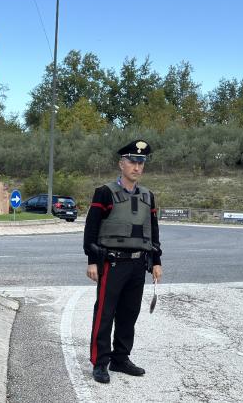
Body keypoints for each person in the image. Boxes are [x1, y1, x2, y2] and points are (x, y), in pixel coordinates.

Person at [83, 139, 163, 384]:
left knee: (129, 314)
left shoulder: (148, 196)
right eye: (132, 161)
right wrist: (92, 260)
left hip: (138, 264)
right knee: (105, 314)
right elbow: (91, 229)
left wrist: (156, 261)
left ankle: (121, 358)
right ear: (121, 164)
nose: (137, 167)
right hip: (112, 263)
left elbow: (154, 231)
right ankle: (100, 362)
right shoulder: (105, 192)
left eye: (141, 162)